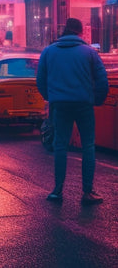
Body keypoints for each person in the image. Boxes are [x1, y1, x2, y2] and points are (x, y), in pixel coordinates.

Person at [36, 18, 109, 205]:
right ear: (80, 32)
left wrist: (51, 97)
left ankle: (58, 190)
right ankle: (87, 191)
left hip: (60, 105)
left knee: (60, 145)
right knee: (88, 146)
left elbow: (40, 80)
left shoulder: (49, 51)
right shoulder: (90, 53)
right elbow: (102, 80)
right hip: (84, 104)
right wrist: (96, 100)